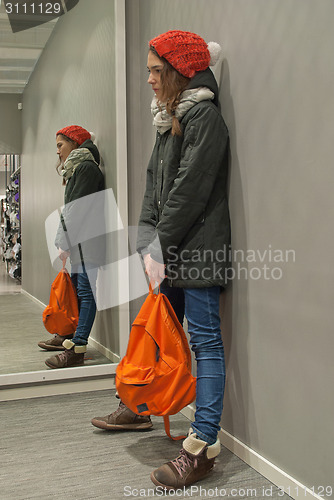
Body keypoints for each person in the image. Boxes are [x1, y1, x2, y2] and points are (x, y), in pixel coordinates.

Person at [92, 30, 231, 489]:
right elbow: (154, 187)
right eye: (149, 70)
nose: (149, 79)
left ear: (176, 70)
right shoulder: (168, 120)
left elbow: (191, 190)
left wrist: (157, 248)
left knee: (205, 343)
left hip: (199, 250)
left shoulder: (205, 118)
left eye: (155, 70)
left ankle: (201, 446)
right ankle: (138, 408)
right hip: (168, 252)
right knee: (155, 333)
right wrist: (146, 245)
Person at [38, 125, 105, 369]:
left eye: (60, 145)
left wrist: (63, 241)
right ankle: (68, 337)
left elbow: (77, 209)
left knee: (86, 292)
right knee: (78, 291)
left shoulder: (86, 168)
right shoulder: (79, 168)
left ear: (75, 143)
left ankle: (77, 347)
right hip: (82, 241)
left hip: (89, 241)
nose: (57, 151)